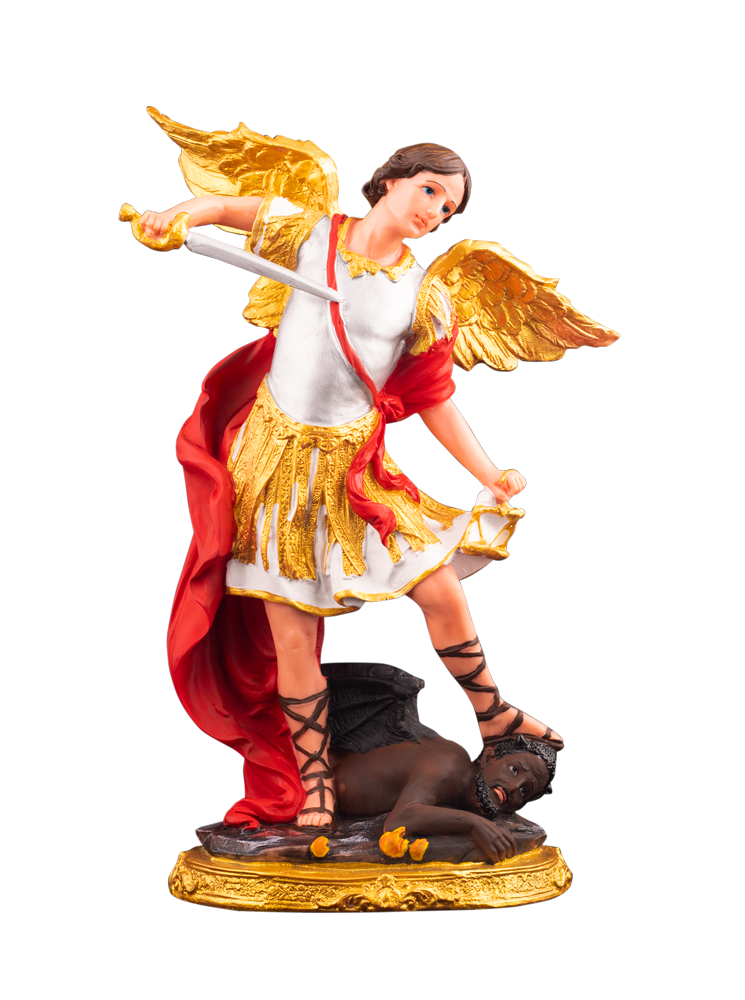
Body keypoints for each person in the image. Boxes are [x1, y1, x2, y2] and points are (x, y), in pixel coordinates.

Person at [129, 111, 616, 832]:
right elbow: (228, 207)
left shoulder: (424, 295)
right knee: (292, 630)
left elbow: (431, 398)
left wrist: (490, 472)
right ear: (390, 182)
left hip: (356, 468)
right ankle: (315, 782)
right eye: (428, 191)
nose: (434, 211)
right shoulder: (309, 233)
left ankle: (492, 713)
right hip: (276, 463)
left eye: (447, 207)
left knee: (439, 586)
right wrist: (176, 218)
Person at [330, 733, 554, 864]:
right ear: (488, 757)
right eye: (514, 770)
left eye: (524, 791)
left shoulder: (464, 792)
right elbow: (399, 820)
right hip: (322, 784)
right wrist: (473, 824)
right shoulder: (448, 765)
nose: (513, 787)